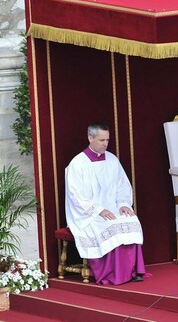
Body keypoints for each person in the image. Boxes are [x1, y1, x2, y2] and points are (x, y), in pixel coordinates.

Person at [65, 122, 146, 285]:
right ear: (90, 138)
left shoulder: (112, 159)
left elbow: (122, 184)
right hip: (88, 214)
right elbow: (76, 195)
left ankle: (134, 271)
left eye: (107, 140)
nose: (105, 144)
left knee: (130, 220)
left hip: (113, 207)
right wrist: (99, 210)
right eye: (101, 140)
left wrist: (123, 203)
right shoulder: (78, 163)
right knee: (109, 224)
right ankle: (114, 273)